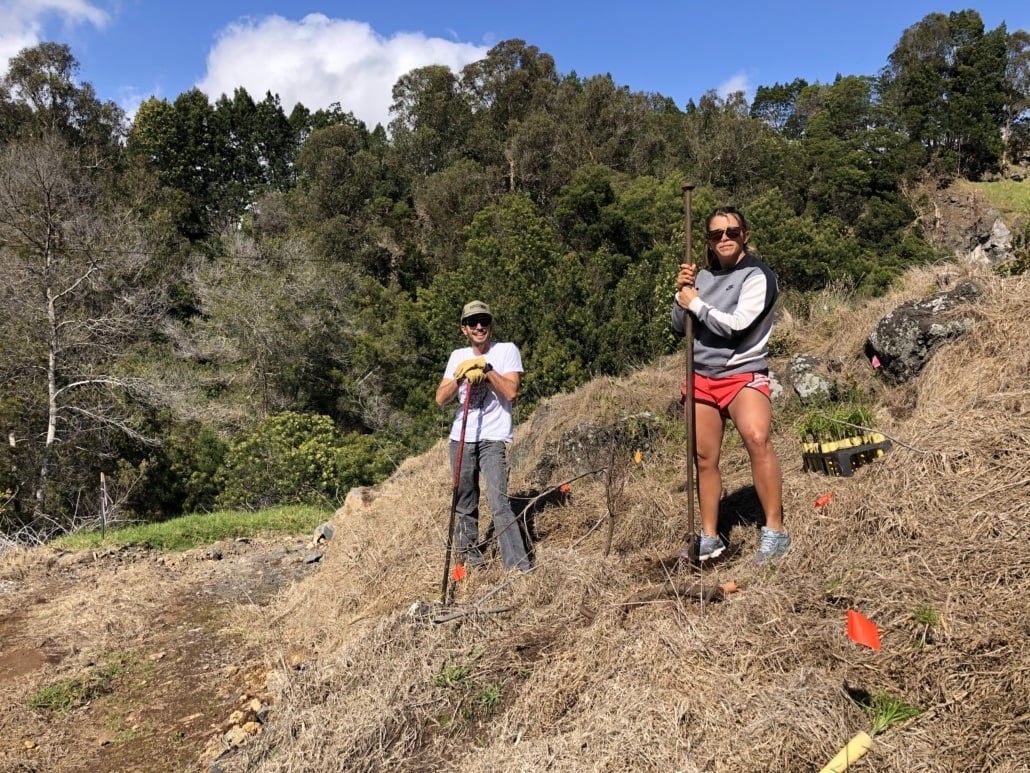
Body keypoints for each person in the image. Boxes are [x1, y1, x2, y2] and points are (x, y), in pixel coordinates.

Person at [671, 206, 791, 566]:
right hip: (701, 378)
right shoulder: (702, 279)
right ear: (708, 241)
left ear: (745, 236)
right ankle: (709, 537)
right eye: (715, 234)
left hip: (742, 372)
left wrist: (698, 304)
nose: (724, 238)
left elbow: (737, 326)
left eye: (732, 231)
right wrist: (684, 293)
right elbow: (680, 325)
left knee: (757, 438)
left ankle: (775, 530)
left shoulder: (758, 276)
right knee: (704, 458)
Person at [435, 300, 531, 572]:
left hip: (493, 437)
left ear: (490, 325)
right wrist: (462, 375)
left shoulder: (506, 351)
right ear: (464, 328)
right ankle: (470, 561)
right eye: (473, 322)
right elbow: (441, 398)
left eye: (484, 321)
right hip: (461, 438)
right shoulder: (457, 356)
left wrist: (487, 370)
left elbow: (511, 392)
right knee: (464, 502)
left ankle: (518, 567)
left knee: (499, 501)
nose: (479, 326)